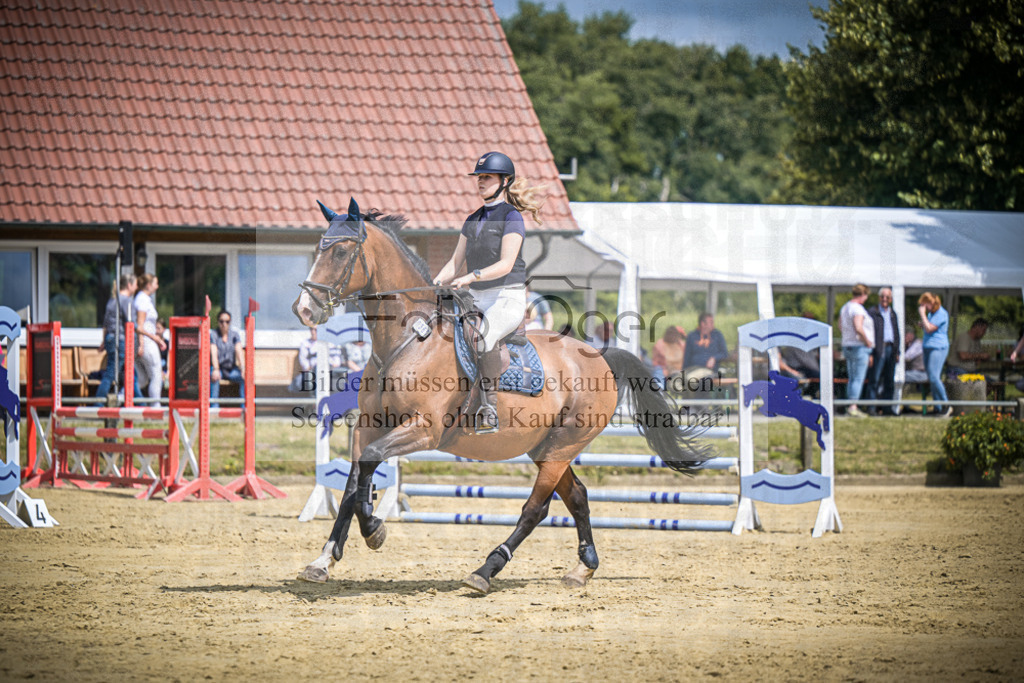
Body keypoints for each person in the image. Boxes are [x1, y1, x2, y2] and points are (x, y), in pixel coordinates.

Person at [432, 151, 545, 434]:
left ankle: (489, 409)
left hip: (507, 297)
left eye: (486, 177)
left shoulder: (512, 217)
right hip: (477, 299)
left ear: (504, 181)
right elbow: (454, 263)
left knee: (485, 337)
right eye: (478, 177)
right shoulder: (472, 219)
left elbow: (506, 263)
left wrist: (470, 277)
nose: (480, 182)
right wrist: (435, 282)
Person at [94, 274, 141, 404]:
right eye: (135, 284)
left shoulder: (112, 300)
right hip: (120, 341)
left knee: (131, 374)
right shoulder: (126, 301)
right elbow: (132, 325)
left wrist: (104, 341)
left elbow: (106, 324)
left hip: (111, 338)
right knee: (111, 374)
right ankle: (97, 404)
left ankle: (141, 403)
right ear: (129, 285)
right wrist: (148, 338)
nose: (136, 287)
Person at [839, 284, 875, 417]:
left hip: (848, 345)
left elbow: (840, 325)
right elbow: (858, 328)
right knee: (858, 379)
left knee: (852, 378)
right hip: (859, 347)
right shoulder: (858, 309)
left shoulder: (845, 307)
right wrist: (868, 342)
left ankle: (850, 405)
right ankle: (853, 406)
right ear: (863, 295)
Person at [866, 287, 900, 415]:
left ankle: (887, 408)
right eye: (882, 296)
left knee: (889, 380)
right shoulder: (872, 312)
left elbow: (897, 333)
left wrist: (897, 352)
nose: (885, 299)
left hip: (891, 348)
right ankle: (871, 407)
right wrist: (870, 353)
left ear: (891, 299)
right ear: (879, 298)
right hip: (878, 349)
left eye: (887, 297)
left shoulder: (893, 313)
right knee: (874, 379)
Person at [917, 292, 951, 417]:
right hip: (928, 347)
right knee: (932, 379)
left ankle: (946, 405)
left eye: (924, 304)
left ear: (931, 303)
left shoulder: (941, 313)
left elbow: (930, 328)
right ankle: (938, 407)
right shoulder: (932, 314)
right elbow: (928, 327)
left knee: (934, 377)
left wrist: (922, 315)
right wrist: (924, 321)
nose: (923, 307)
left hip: (938, 348)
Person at [133, 273, 166, 403]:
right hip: (146, 342)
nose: (157, 287)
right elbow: (139, 325)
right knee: (156, 376)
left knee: (141, 379)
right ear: (148, 285)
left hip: (143, 342)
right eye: (155, 283)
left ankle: (118, 399)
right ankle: (155, 408)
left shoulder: (142, 299)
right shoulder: (142, 299)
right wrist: (155, 339)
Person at [290, 326, 342, 393]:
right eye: (311, 329)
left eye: (315, 330)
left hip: (329, 371)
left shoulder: (332, 344)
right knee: (305, 380)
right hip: (312, 372)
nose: (312, 332)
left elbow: (337, 362)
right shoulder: (306, 344)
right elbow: (304, 363)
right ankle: (315, 400)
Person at [210, 309, 244, 407]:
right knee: (214, 376)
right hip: (218, 367)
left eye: (227, 321)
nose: (224, 324)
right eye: (221, 321)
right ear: (218, 322)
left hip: (231, 369)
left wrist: (243, 368)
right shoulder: (214, 334)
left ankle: (244, 408)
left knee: (245, 377)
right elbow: (213, 352)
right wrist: (216, 369)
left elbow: (239, 350)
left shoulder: (234, 335)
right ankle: (214, 408)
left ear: (230, 322)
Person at [683, 313, 728, 379]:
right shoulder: (692, 336)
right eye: (711, 322)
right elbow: (687, 356)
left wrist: (714, 358)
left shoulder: (717, 335)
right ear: (703, 324)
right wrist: (683, 370)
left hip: (708, 370)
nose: (713, 324)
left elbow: (724, 353)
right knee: (676, 382)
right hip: (692, 368)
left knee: (690, 378)